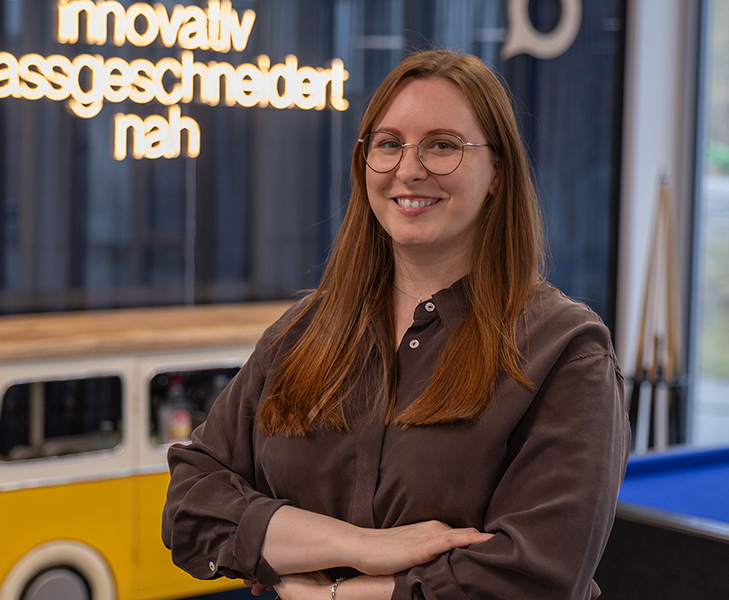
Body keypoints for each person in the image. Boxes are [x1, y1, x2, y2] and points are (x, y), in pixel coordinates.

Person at [163, 49, 629, 600]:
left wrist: (334, 592)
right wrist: (358, 546)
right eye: (388, 144)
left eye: (442, 145)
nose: (409, 169)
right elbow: (191, 503)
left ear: (497, 173)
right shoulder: (301, 334)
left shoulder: (566, 353)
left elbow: (536, 578)